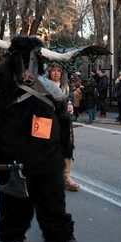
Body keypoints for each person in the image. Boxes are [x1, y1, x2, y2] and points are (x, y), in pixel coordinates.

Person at [0, 34, 77, 242]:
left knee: (53, 199)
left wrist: (65, 150)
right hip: (10, 157)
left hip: (47, 157)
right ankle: (11, 235)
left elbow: (63, 121)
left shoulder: (50, 89)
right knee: (13, 202)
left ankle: (59, 235)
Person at [47, 61, 80, 191]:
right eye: (53, 70)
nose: (56, 73)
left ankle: (66, 177)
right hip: (48, 120)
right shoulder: (44, 85)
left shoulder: (65, 86)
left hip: (63, 121)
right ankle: (50, 177)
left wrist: (70, 105)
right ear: (49, 72)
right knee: (48, 148)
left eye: (58, 71)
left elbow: (69, 98)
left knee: (66, 147)